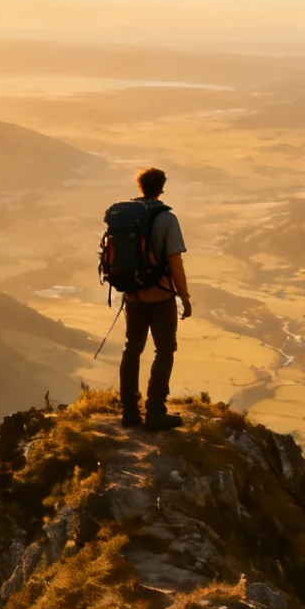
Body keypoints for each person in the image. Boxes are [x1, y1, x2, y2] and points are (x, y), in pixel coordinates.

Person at [117, 167, 191, 430]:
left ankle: (129, 412)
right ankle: (155, 412)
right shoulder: (166, 219)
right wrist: (184, 296)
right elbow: (175, 261)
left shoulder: (126, 217)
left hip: (133, 295)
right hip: (160, 296)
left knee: (132, 349)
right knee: (165, 350)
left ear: (140, 187)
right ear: (162, 187)